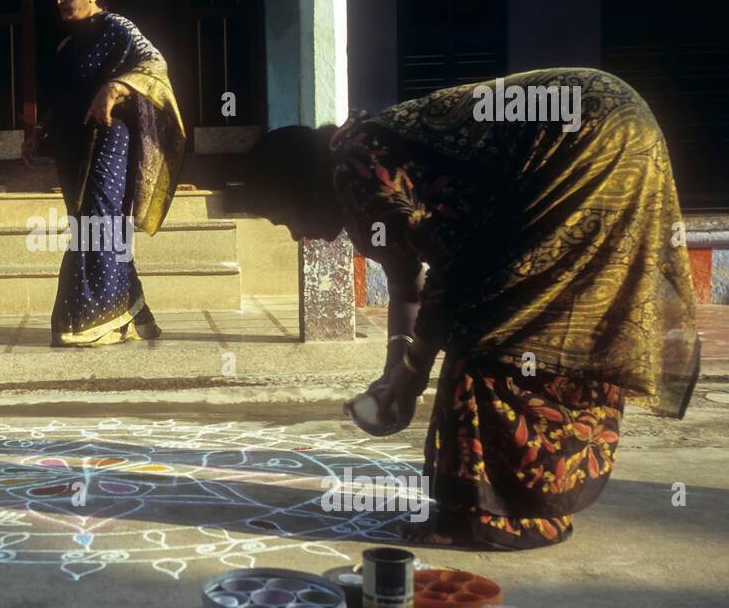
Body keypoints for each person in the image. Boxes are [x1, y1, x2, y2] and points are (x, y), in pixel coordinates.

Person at [245, 68, 701, 549]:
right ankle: (523, 504)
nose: (295, 234)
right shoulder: (359, 154)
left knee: (493, 333)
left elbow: (454, 276)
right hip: (614, 117)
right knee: (562, 317)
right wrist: (391, 380)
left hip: (583, 133)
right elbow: (406, 286)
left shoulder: (356, 170)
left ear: (304, 188)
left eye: (284, 218)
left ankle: (503, 518)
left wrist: (411, 376)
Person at [23, 0, 186, 346]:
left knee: (101, 221)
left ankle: (95, 320)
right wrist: (39, 130)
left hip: (111, 142)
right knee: (87, 223)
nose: (61, 1)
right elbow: (61, 99)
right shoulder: (67, 46)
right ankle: (131, 315)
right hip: (72, 147)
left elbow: (154, 63)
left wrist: (115, 88)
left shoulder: (119, 30)